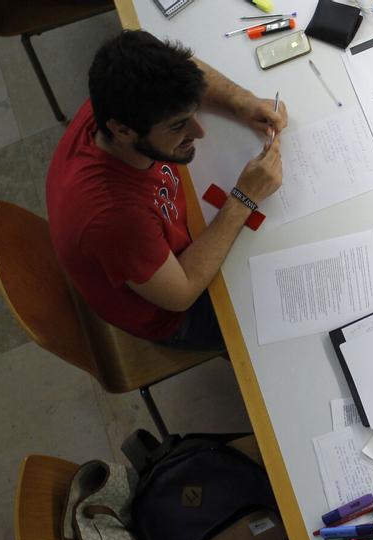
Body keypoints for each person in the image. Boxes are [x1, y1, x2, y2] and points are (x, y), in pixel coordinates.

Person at [46, 30, 287, 350]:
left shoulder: (122, 98)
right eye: (178, 125)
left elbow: (186, 69)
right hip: (173, 314)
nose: (198, 132)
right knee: (280, 325)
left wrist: (241, 101)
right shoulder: (112, 216)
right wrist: (244, 197)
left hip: (166, 241)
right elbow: (182, 293)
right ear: (123, 130)